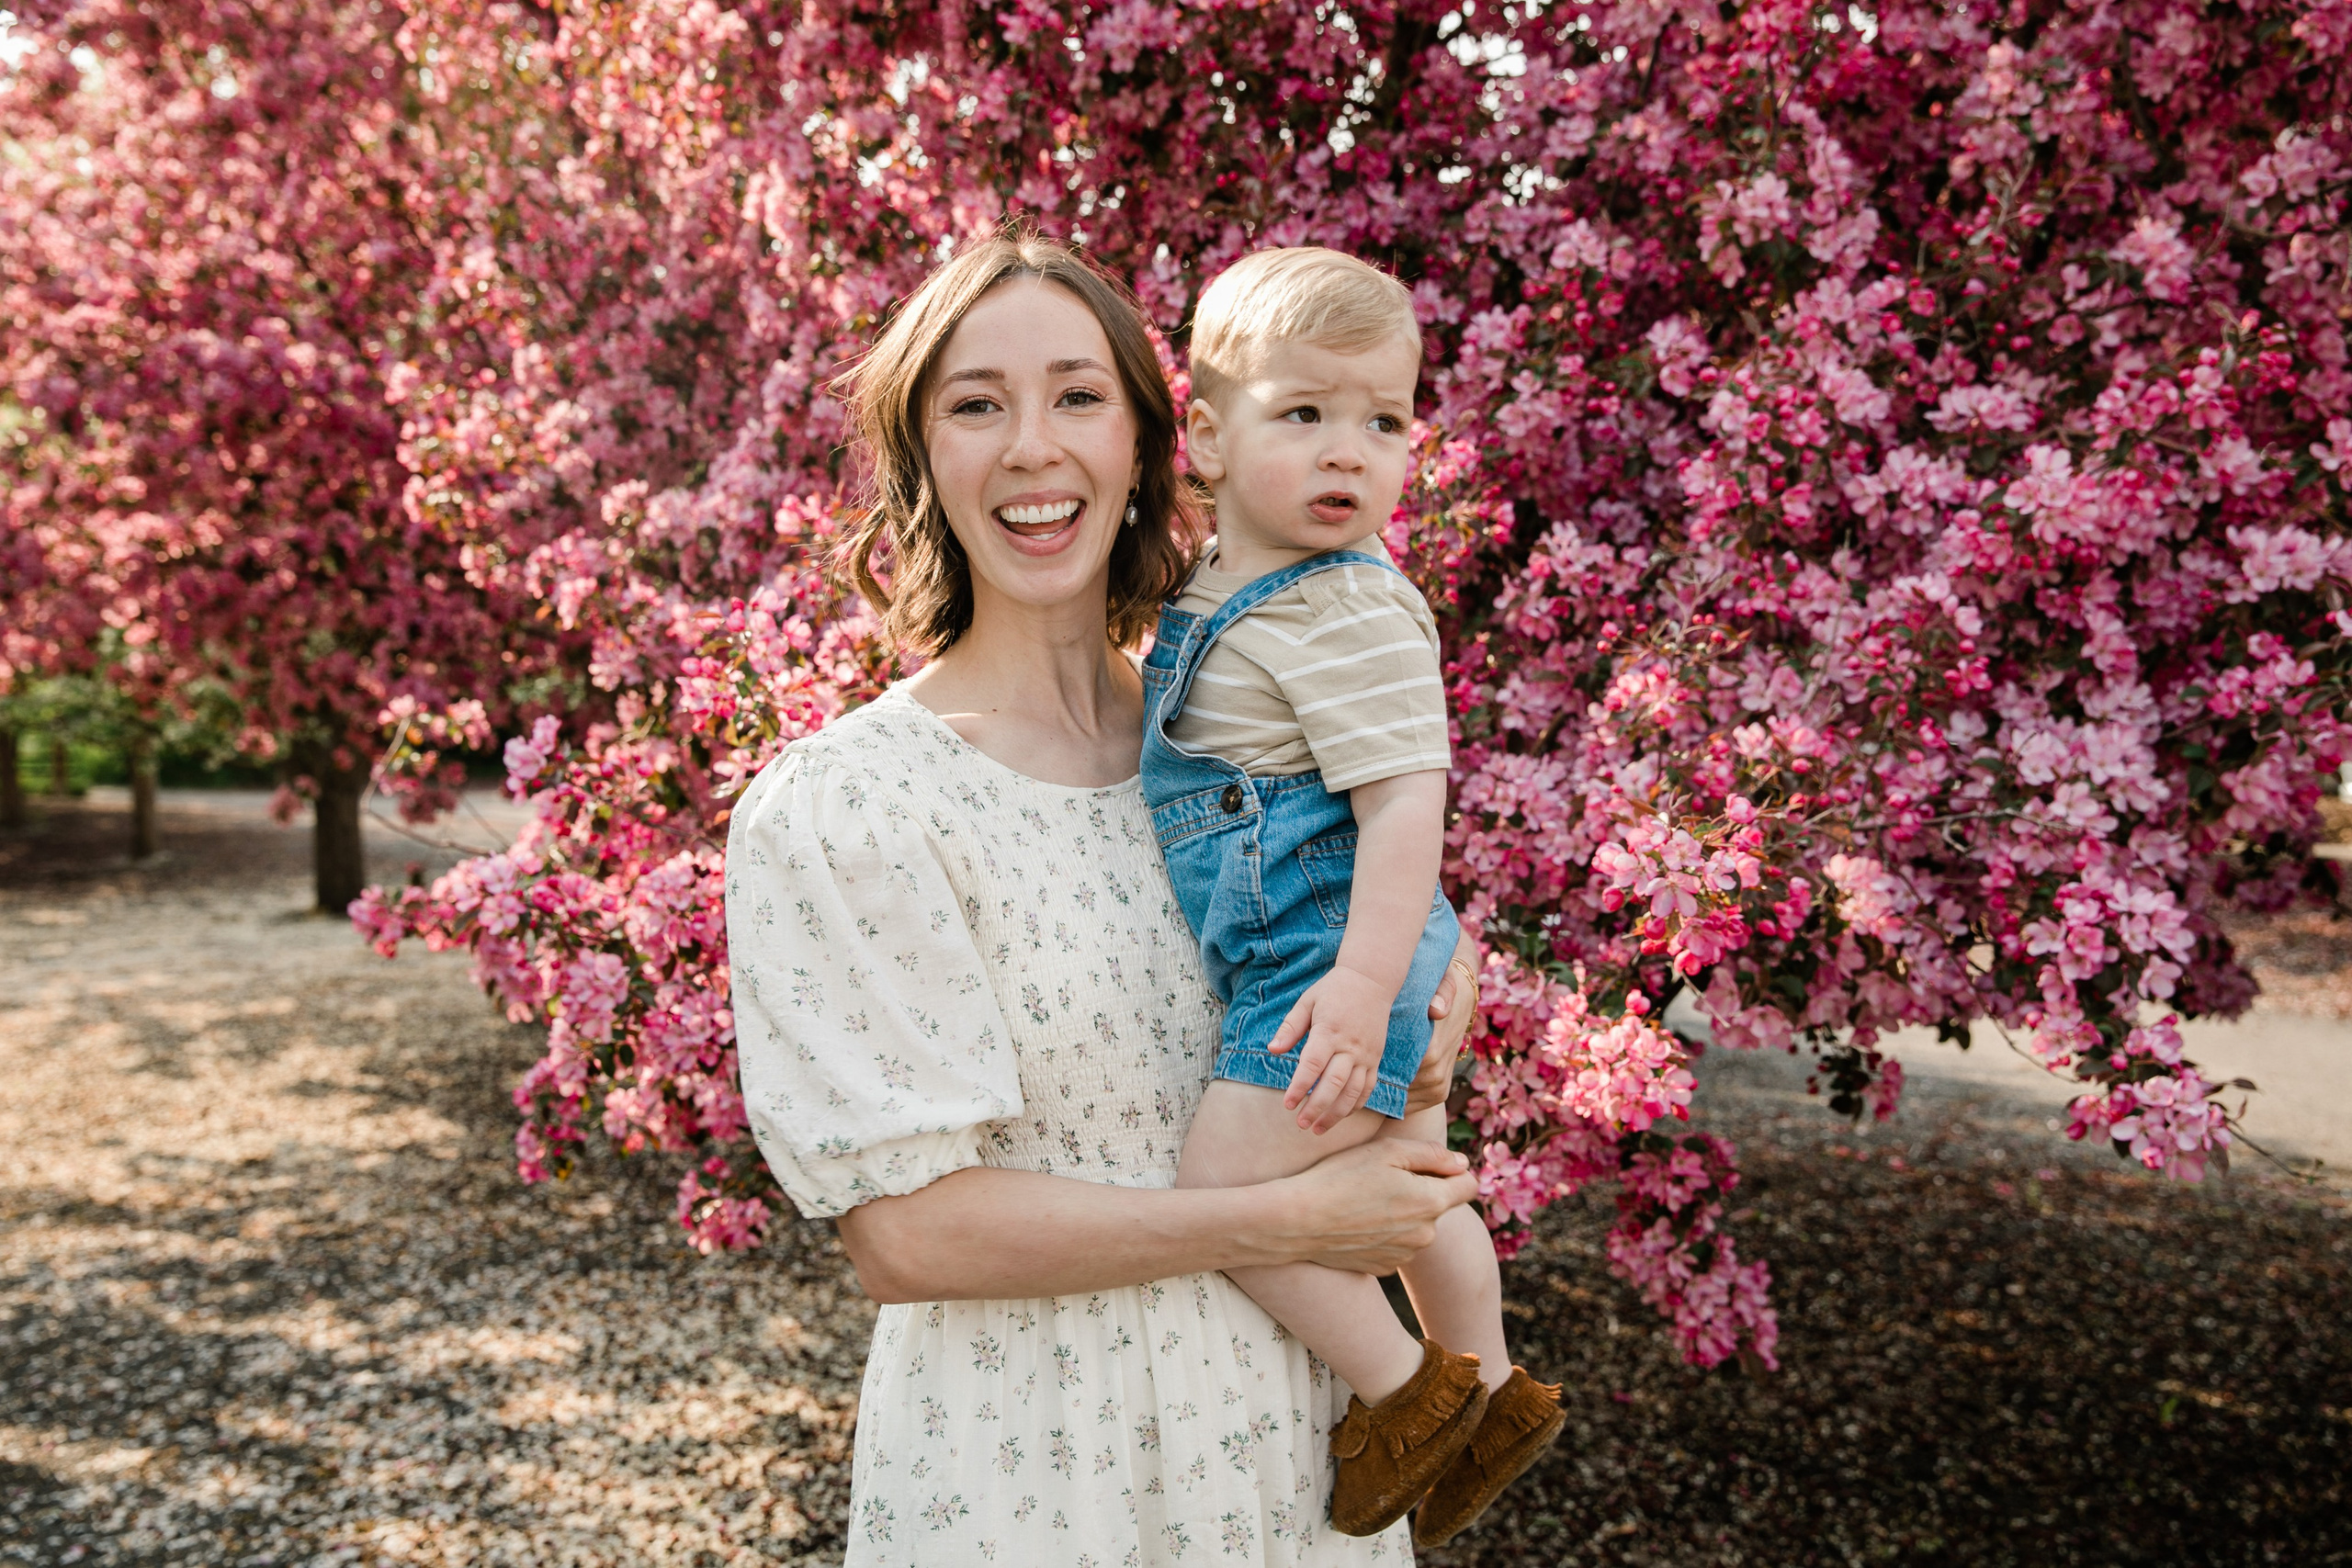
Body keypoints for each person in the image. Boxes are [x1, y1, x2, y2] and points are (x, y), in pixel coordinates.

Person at [724, 231, 1484, 1567]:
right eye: (975, 403)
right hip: (1033, 1474)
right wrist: (1276, 1222)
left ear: (1151, 439)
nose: (1032, 447)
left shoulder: (1252, 757)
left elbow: (1365, 1065)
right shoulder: (850, 805)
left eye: (1077, 396)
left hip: (1293, 1468)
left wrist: (1429, 1009)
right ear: (924, 453)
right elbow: (909, 1236)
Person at [1148, 248, 1563, 1548]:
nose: (1348, 454)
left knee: (1224, 1190)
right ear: (1207, 439)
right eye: (1305, 415)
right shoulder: (1231, 585)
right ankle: (1493, 1384)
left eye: (1382, 422)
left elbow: (1404, 811)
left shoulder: (1351, 609)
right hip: (1348, 950)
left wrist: (1365, 985)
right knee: (1409, 1171)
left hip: (1325, 957)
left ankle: (1408, 1390)